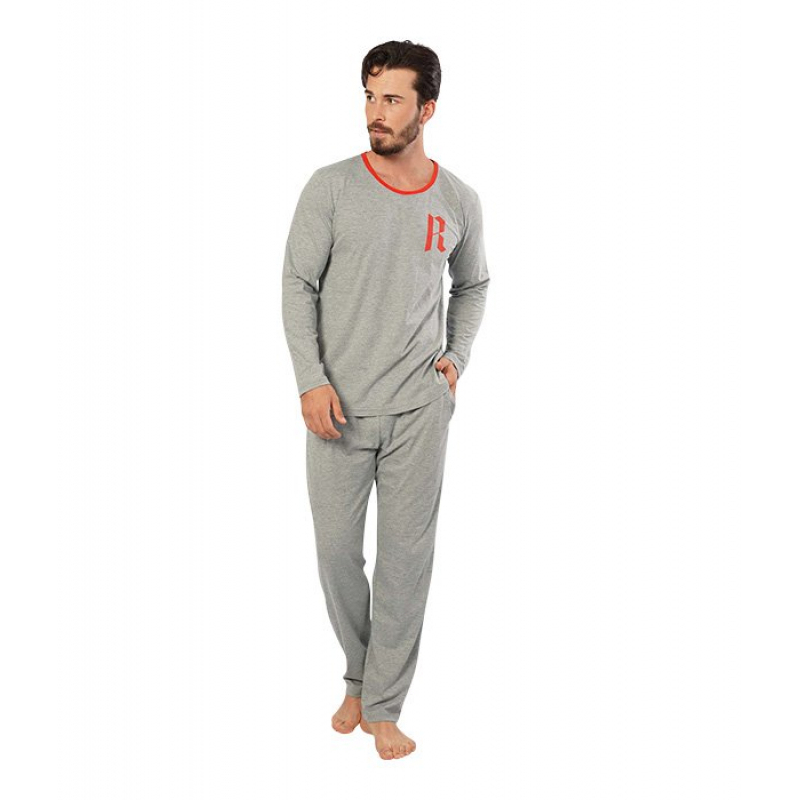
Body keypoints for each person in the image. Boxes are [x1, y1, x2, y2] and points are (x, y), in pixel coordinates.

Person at [281, 40, 490, 760]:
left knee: (405, 565)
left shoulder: (458, 200)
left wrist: (456, 358)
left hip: (419, 412)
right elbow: (297, 285)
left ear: (427, 109)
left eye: (393, 99)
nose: (376, 112)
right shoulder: (330, 188)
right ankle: (358, 674)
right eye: (370, 97)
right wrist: (310, 379)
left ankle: (383, 703)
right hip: (337, 411)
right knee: (338, 556)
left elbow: (474, 283)